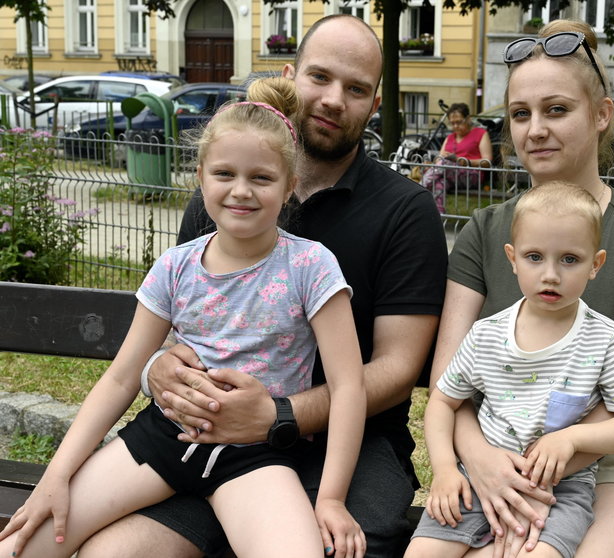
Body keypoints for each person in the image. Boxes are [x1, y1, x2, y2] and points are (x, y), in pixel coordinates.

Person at [74, 14, 448, 558]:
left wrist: (280, 414)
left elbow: (397, 369)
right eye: (319, 77)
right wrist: (158, 368)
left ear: (374, 102)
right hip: (214, 433)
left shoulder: (404, 211)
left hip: (353, 445)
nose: (334, 99)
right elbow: (179, 322)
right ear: (291, 75)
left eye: (356, 89)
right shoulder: (225, 196)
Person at [0, 76, 368, 558]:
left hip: (255, 455)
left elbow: (348, 386)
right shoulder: (175, 267)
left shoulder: (311, 266)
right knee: (25, 543)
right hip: (162, 439)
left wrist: (333, 498)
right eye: (224, 174)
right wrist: (57, 475)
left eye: (261, 178)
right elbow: (121, 378)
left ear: (289, 186)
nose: (241, 191)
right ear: (199, 176)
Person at [431, 19, 614, 558]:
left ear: (601, 115)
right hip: (491, 453)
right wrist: (480, 460)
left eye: (556, 109)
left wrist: (534, 477)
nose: (534, 129)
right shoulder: (483, 232)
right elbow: (448, 383)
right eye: (520, 114)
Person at [406, 182, 614, 558]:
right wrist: (444, 469)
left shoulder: (602, 339)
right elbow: (443, 402)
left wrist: (571, 439)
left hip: (562, 489)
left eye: (570, 259)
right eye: (534, 257)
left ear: (596, 264)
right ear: (512, 258)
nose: (551, 274)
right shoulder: (487, 334)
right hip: (476, 479)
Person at [421, 103, 493, 213]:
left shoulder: (481, 133)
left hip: (472, 176)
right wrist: (435, 162)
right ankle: (439, 218)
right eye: (452, 123)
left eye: (459, 122)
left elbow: (487, 162)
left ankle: (418, 189)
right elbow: (439, 159)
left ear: (468, 119)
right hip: (448, 175)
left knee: (444, 164)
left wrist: (460, 160)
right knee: (440, 184)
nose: (455, 126)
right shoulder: (450, 137)